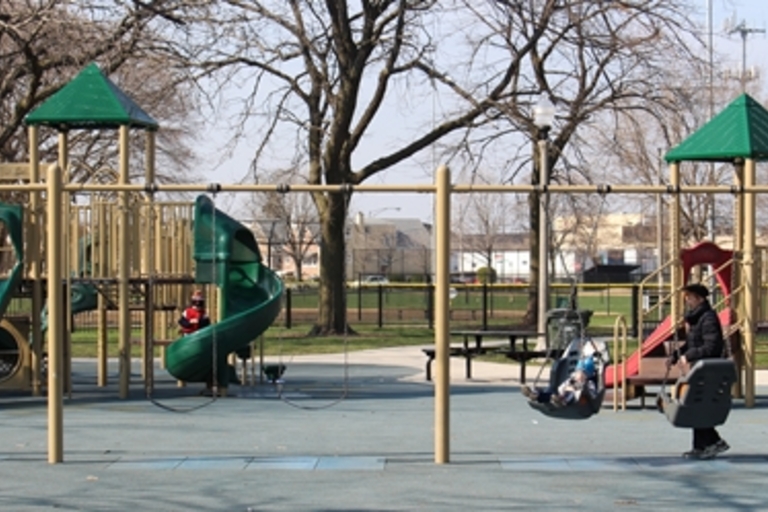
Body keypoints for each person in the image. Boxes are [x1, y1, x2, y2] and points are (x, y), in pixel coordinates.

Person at [667, 282, 730, 460]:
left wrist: (689, 356)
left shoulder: (708, 318)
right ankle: (701, 445)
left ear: (700, 299)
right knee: (696, 406)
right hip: (700, 369)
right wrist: (676, 355)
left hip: (709, 370)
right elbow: (692, 343)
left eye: (690, 297)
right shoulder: (697, 318)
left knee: (698, 406)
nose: (687, 301)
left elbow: (711, 346)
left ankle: (713, 441)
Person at [522, 356, 598, 407]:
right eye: (577, 373)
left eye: (582, 374)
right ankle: (536, 395)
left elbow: (593, 395)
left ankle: (560, 401)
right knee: (550, 395)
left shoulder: (589, 383)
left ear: (587, 376)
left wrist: (578, 389)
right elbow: (560, 388)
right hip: (560, 396)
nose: (578, 376)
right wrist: (566, 388)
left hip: (574, 402)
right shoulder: (571, 381)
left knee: (570, 394)